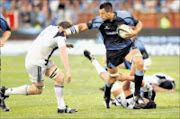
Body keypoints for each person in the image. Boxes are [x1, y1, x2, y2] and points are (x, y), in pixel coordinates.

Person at [65, 2, 145, 108]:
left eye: (103, 13)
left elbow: (139, 24)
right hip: (112, 53)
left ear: (110, 12)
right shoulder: (99, 21)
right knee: (112, 78)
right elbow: (82, 27)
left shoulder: (124, 16)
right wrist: (67, 31)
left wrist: (135, 32)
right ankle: (107, 94)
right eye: (100, 13)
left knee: (139, 62)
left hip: (127, 48)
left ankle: (137, 94)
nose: (101, 16)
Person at [0, 21, 78, 113]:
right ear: (63, 29)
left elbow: (47, 41)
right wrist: (68, 70)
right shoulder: (61, 35)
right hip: (36, 63)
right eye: (67, 33)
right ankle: (6, 91)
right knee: (37, 90)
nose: (67, 36)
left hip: (38, 58)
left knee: (60, 77)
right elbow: (62, 53)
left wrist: (65, 45)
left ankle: (61, 108)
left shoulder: (51, 27)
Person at [83, 50, 156, 109]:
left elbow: (125, 89)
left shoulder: (133, 105)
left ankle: (93, 60)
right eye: (145, 101)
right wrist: (127, 76)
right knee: (135, 75)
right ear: (148, 99)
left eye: (142, 104)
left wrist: (124, 77)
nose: (142, 101)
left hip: (123, 95)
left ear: (141, 107)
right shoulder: (150, 92)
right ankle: (115, 102)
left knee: (108, 79)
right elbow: (140, 81)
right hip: (134, 89)